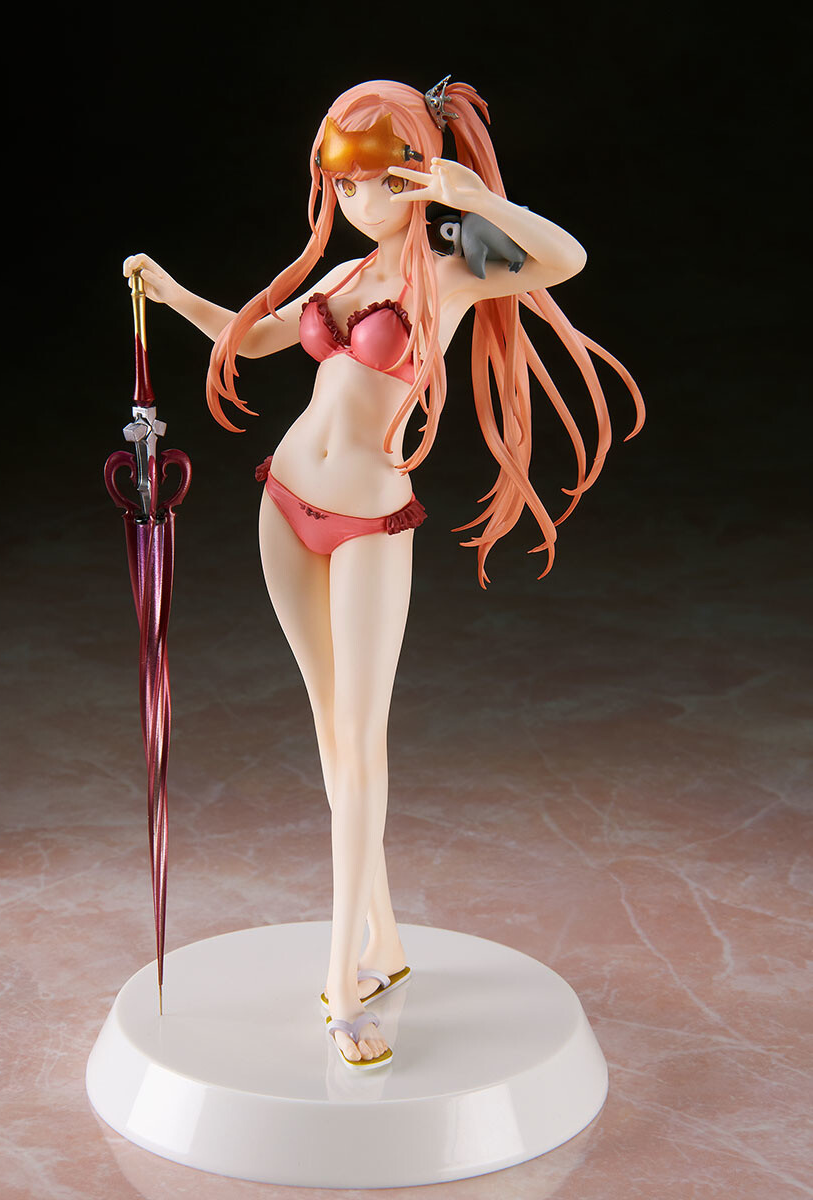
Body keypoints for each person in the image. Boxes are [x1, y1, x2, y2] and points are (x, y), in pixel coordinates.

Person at [123, 77, 643, 1070]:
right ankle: (386, 941)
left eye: (379, 181)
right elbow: (257, 335)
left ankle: (344, 977)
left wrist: (468, 195)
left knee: (362, 744)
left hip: (369, 517)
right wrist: (168, 290)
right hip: (284, 500)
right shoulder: (351, 270)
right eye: (342, 184)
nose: (358, 201)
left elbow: (565, 259)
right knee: (331, 733)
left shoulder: (457, 263)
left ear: (416, 174)